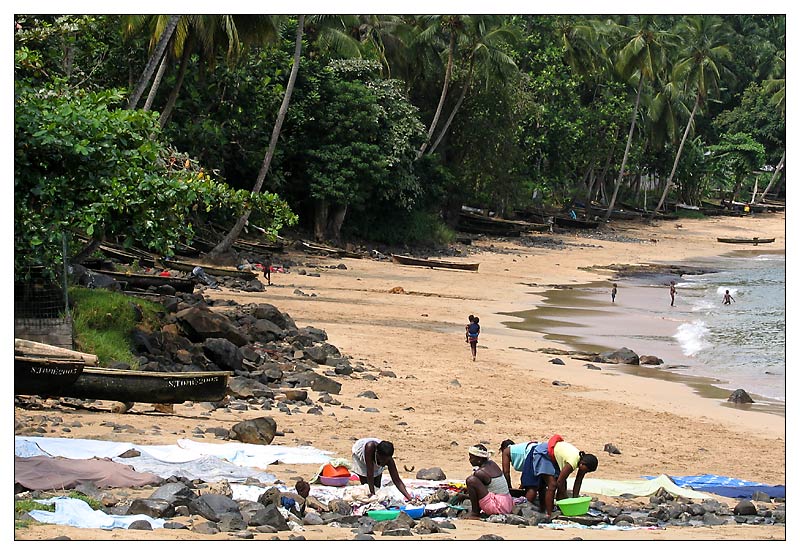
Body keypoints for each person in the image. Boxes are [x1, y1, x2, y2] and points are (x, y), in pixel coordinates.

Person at [529, 435, 598, 518]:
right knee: (552, 485)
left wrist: (575, 501)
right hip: (543, 453)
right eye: (587, 470)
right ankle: (549, 513)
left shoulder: (582, 463)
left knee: (562, 485)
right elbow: (559, 481)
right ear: (583, 463)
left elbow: (578, 482)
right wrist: (565, 497)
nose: (586, 472)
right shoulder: (572, 461)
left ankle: (559, 508)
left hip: (553, 456)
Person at [464, 444, 514, 519]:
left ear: (479, 459)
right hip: (507, 503)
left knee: (470, 480)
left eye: (472, 458)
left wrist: (464, 496)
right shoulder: (492, 464)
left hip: (498, 506)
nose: (470, 460)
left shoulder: (480, 472)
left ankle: (475, 513)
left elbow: (476, 492)